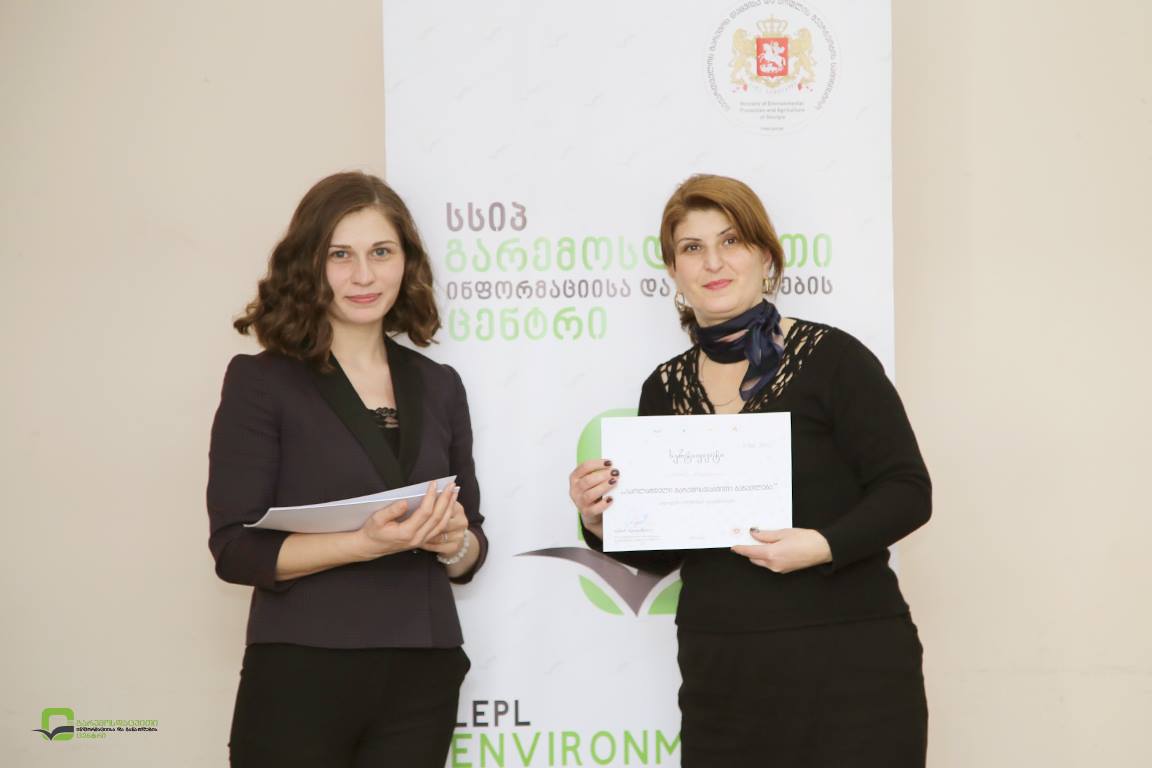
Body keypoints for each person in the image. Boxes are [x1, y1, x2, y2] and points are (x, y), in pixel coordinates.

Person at [568, 174, 931, 767]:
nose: (713, 262)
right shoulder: (663, 388)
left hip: (851, 664)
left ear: (765, 255)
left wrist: (821, 545)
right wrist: (601, 521)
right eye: (692, 247)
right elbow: (664, 551)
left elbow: (908, 491)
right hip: (723, 676)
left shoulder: (833, 359)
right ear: (674, 272)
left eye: (731, 240)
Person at [207, 171, 486, 767]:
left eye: (381, 252)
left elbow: (472, 548)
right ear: (309, 263)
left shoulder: (440, 385)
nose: (364, 276)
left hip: (424, 668)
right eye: (341, 255)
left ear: (406, 262)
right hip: (302, 666)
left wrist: (456, 542)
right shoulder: (262, 382)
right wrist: (363, 544)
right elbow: (234, 550)